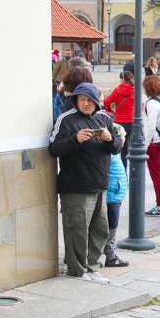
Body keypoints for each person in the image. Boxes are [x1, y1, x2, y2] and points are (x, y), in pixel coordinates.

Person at [49, 83, 123, 283]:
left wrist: (109, 139)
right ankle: (77, 269)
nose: (86, 103)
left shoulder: (104, 118)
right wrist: (75, 139)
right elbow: (54, 148)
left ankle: (92, 267)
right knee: (77, 230)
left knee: (100, 229)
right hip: (76, 187)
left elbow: (117, 147)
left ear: (96, 102)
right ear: (76, 100)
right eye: (82, 99)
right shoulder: (66, 120)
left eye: (90, 100)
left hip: (100, 186)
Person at [143, 75, 160, 217]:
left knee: (156, 175)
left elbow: (150, 126)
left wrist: (144, 145)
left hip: (154, 143)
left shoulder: (152, 103)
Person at [103, 124, 129, 267]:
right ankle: (110, 255)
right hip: (111, 192)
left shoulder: (116, 153)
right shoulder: (111, 152)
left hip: (115, 191)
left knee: (110, 224)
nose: (123, 140)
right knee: (111, 225)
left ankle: (109, 254)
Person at [103, 71, 136, 169]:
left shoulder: (116, 90)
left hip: (119, 122)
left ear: (122, 79)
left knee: (118, 147)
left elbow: (106, 102)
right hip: (131, 122)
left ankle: (118, 170)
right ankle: (127, 172)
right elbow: (140, 106)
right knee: (129, 148)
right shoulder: (134, 91)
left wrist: (111, 111)